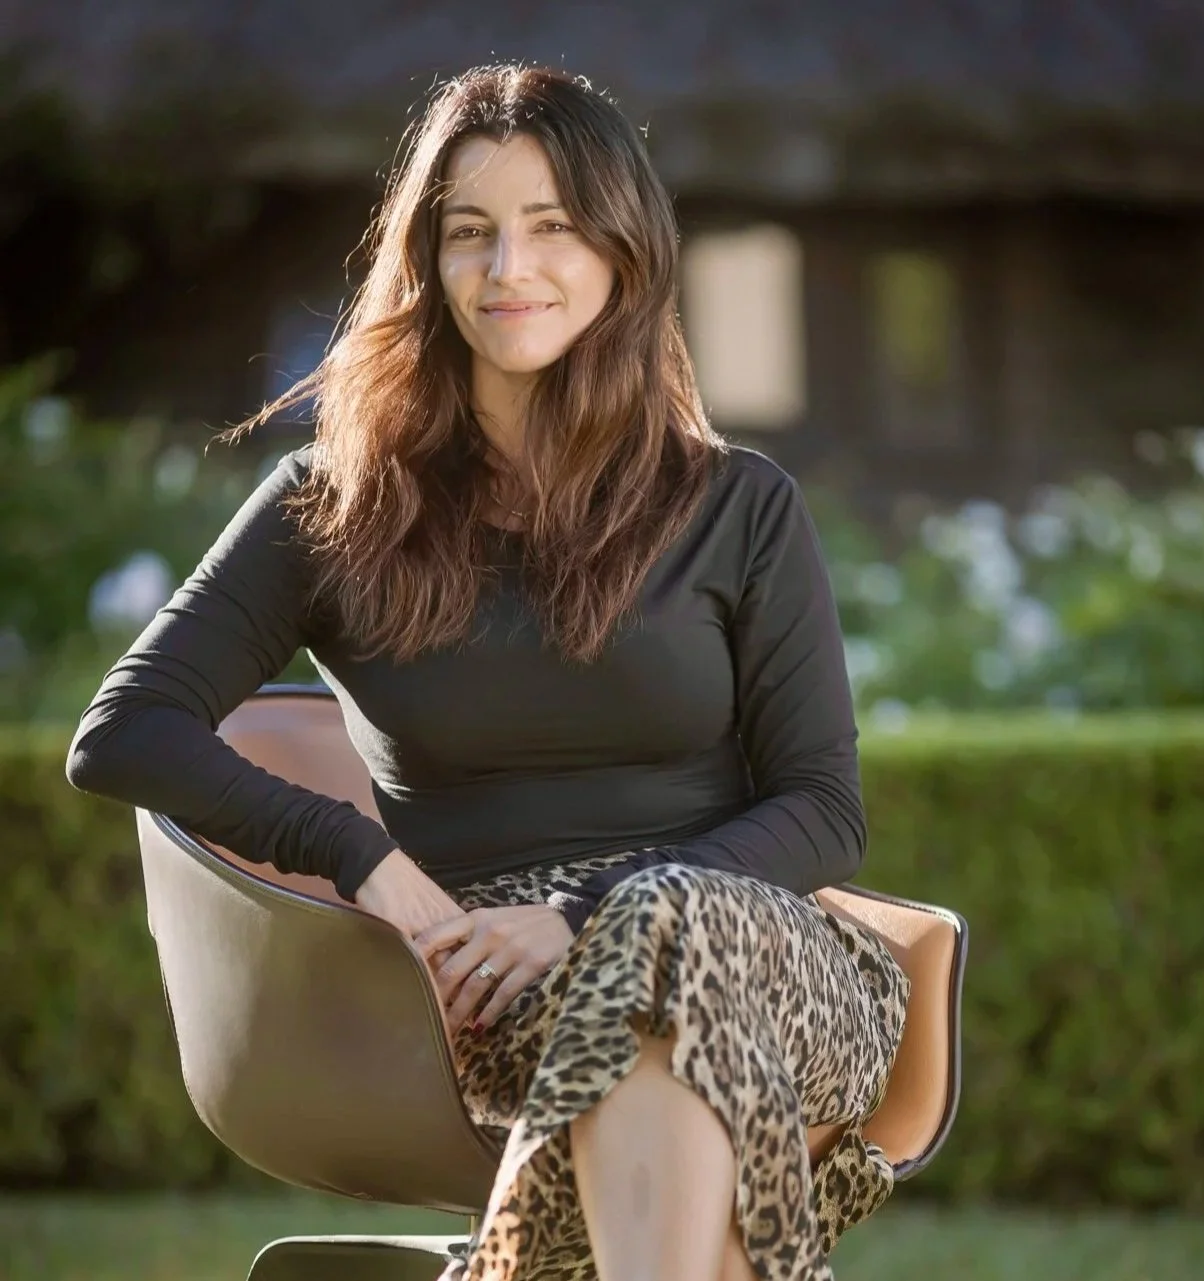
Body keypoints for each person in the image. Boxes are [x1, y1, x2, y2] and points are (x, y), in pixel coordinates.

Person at [65, 64, 909, 1281]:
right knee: (651, 1023)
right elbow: (125, 731)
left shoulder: (738, 506)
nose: (509, 267)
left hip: (780, 968)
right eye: (472, 233)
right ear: (428, 264)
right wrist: (368, 862)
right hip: (500, 1001)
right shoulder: (335, 508)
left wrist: (587, 916)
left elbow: (825, 812)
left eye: (552, 226)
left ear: (624, 252)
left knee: (670, 923)